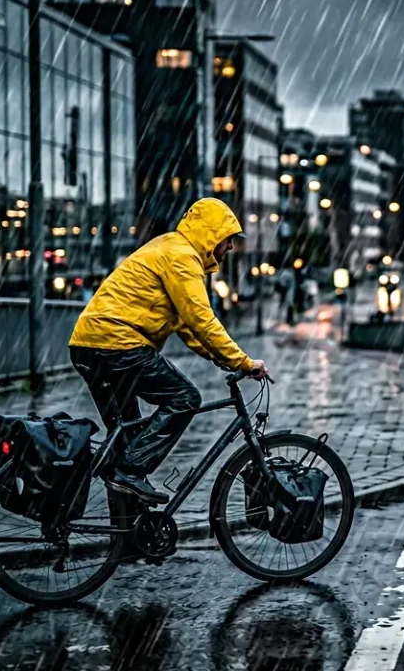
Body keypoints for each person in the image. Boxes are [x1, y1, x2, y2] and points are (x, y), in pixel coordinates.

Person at [68, 198, 266, 504]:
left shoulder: (170, 247)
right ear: (212, 234)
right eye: (228, 240)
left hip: (90, 345)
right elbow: (202, 319)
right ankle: (129, 472)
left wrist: (223, 360)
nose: (230, 248)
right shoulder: (181, 257)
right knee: (185, 398)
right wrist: (243, 360)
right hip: (117, 345)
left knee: (126, 441)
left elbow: (188, 328)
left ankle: (126, 544)